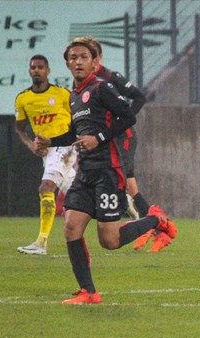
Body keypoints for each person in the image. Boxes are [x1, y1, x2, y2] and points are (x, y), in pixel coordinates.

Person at [34, 37, 177, 305]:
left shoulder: (102, 88)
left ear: (94, 62)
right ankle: (88, 292)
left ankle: (156, 220)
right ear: (67, 64)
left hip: (108, 172)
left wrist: (99, 138)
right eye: (73, 58)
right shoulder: (74, 96)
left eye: (83, 57)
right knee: (71, 228)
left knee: (109, 241)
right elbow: (75, 133)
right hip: (85, 172)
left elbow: (128, 116)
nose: (78, 61)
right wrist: (49, 142)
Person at [73, 36, 172, 253]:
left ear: (97, 57)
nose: (81, 60)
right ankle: (159, 229)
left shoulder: (109, 78)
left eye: (88, 54)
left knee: (124, 185)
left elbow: (139, 97)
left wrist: (117, 124)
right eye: (77, 56)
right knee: (131, 187)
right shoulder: (81, 82)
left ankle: (155, 224)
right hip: (107, 140)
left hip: (120, 137)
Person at [14, 55, 76, 255]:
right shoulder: (23, 98)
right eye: (33, 67)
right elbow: (19, 128)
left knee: (46, 187)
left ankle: (41, 243)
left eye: (40, 67)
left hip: (64, 147)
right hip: (47, 154)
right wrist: (31, 145)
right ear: (29, 71)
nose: (36, 70)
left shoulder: (62, 94)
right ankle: (123, 203)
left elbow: (78, 118)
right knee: (78, 195)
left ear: (48, 71)